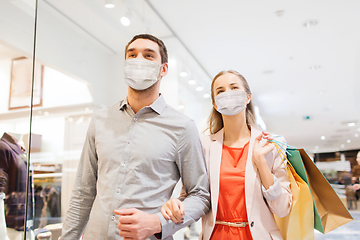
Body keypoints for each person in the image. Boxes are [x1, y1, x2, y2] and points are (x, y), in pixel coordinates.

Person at [60, 34, 211, 240]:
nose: (138, 60)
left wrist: (158, 222)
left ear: (163, 69)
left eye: (148, 56)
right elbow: (83, 192)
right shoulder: (100, 120)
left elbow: (201, 195)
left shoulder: (182, 127)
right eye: (132, 55)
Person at [161, 70, 292, 240]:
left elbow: (283, 208)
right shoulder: (203, 145)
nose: (227, 94)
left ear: (247, 97)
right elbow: (191, 196)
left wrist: (261, 162)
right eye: (220, 91)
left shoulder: (271, 144)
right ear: (215, 103)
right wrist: (176, 205)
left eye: (234, 87)